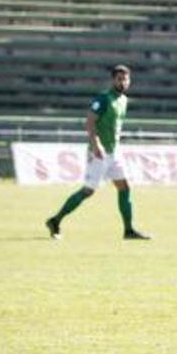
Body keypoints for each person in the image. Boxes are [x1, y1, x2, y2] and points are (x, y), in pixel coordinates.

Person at [45, 65, 150, 241]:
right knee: (88, 191)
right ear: (113, 80)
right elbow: (90, 121)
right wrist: (96, 145)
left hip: (114, 153)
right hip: (99, 153)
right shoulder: (103, 98)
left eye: (125, 79)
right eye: (119, 79)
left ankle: (129, 230)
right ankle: (55, 221)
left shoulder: (123, 100)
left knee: (124, 187)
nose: (122, 82)